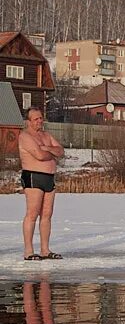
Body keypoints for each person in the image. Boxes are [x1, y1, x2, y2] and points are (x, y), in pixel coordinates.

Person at [17, 107, 64, 261]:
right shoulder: (25, 136)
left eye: (41, 118)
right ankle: (28, 251)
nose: (39, 121)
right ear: (28, 121)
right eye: (36, 119)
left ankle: (45, 249)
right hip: (33, 177)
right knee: (32, 213)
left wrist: (47, 148)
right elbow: (39, 155)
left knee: (47, 214)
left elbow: (61, 151)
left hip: (49, 178)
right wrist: (50, 152)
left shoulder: (46, 135)